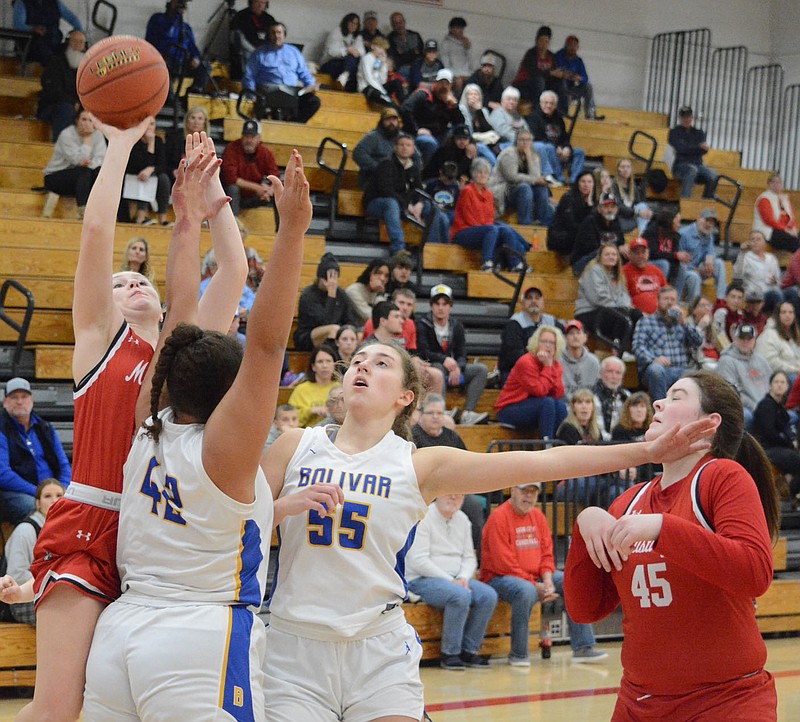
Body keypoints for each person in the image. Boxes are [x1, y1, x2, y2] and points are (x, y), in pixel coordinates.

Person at [259, 335, 713, 720]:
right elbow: (229, 521)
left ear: (404, 397)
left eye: (380, 364)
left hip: (377, 650)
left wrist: (642, 452)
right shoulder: (297, 445)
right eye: (357, 361)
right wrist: (279, 509)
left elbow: (544, 460)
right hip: (294, 648)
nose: (362, 366)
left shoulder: (418, 464)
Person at [80, 149, 342, 721]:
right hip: (197, 639)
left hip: (118, 634)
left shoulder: (148, 425)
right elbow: (270, 343)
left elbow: (180, 321)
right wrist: (293, 230)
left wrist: (184, 222)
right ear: (232, 398)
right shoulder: (224, 454)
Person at [4, 125, 249, 722]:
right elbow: (96, 231)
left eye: (141, 278)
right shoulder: (97, 342)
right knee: (58, 707)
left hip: (157, 544)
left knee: (115, 708)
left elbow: (236, 275)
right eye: (119, 281)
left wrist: (214, 195)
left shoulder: (181, 354)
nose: (133, 280)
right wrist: (120, 144)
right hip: (91, 525)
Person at [565, 370, 779, 721]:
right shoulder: (630, 503)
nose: (659, 402)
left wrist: (664, 529)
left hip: (726, 701)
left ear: (709, 423)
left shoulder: (722, 476)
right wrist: (584, 527)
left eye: (677, 397)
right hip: (640, 703)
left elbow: (755, 572)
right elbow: (586, 609)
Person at [480, 482, 608, 665]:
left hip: (534, 576)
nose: (529, 497)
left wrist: (547, 580)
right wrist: (535, 585)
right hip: (499, 578)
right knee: (525, 591)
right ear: (513, 491)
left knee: (567, 581)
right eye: (525, 491)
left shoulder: (538, 516)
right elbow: (504, 563)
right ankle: (518, 654)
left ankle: (583, 647)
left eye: (533, 492)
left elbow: (547, 553)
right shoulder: (498, 518)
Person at [406, 492, 497, 670]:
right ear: (438, 495)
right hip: (422, 579)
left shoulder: (463, 519)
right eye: (449, 493)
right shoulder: (424, 517)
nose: (454, 498)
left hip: (457, 578)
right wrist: (451, 580)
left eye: (459, 494)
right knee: (460, 595)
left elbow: (470, 557)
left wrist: (463, 577)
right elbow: (418, 561)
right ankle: (450, 653)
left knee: (488, 595)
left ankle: (469, 651)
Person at [415, 284, 489, 425]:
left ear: (451, 306)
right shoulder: (422, 324)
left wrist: (458, 367)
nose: (441, 308)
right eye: (437, 303)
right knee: (438, 368)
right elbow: (423, 352)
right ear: (431, 305)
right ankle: (440, 409)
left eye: (445, 304)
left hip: (452, 369)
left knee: (481, 369)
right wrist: (444, 360)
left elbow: (462, 353)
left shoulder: (456, 326)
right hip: (434, 366)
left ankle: (468, 413)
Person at [1, 378, 71, 524]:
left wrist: (60, 490)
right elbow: (3, 474)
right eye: (14, 397)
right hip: (19, 493)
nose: (20, 402)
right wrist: (40, 493)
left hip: (51, 490)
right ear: (5, 402)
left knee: (77, 506)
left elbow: (64, 465)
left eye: (24, 397)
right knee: (32, 508)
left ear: (31, 400)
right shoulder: (2, 429)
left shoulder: (45, 427)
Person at [363, 133, 448, 254]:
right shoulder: (386, 164)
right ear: (395, 148)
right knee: (392, 203)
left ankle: (431, 249)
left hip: (401, 204)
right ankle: (398, 248)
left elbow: (418, 190)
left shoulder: (413, 168)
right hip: (376, 203)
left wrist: (420, 203)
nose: (404, 148)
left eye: (408, 145)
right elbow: (386, 190)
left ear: (413, 150)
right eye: (401, 145)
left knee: (431, 207)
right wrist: (406, 205)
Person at [453, 157, 532, 272]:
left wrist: (488, 228)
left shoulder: (489, 194)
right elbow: (468, 217)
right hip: (464, 231)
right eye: (479, 172)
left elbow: (490, 217)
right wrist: (486, 228)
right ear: (473, 174)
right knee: (493, 229)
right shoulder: (468, 191)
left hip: (484, 231)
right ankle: (486, 262)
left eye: (485, 173)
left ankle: (515, 264)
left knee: (506, 230)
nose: (482, 175)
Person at [2, 479, 64, 625]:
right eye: (47, 496)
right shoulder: (25, 530)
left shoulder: (66, 531)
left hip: (49, 593)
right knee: (62, 614)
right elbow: (16, 575)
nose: (54, 500)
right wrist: (53, 581)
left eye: (59, 495)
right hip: (19, 601)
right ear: (37, 503)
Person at [632, 286, 704, 404]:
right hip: (658, 369)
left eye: (673, 299)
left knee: (695, 375)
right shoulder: (646, 321)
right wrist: (653, 359)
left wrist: (685, 324)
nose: (669, 302)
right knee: (656, 370)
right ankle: (660, 410)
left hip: (681, 369)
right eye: (666, 299)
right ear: (658, 301)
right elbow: (638, 347)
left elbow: (698, 342)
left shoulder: (682, 323)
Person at [495, 325, 568, 437]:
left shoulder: (555, 365)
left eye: (552, 342)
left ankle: (556, 442)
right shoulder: (526, 362)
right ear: (536, 343)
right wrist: (547, 367)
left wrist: (550, 367)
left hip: (535, 407)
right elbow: (539, 391)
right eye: (544, 341)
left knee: (560, 405)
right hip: (509, 408)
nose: (548, 345)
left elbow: (558, 393)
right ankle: (547, 443)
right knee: (547, 403)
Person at [242, 22, 321, 124]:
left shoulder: (294, 52)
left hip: (291, 93)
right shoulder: (259, 53)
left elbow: (304, 73)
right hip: (267, 94)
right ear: (269, 35)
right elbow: (249, 76)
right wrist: (252, 96)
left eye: (279, 33)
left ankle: (293, 125)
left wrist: (311, 85)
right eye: (273, 33)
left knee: (314, 101)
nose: (276, 36)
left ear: (284, 35)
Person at [574, 242, 640, 353]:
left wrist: (627, 307)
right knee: (622, 315)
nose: (611, 257)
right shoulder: (594, 271)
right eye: (607, 254)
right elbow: (598, 298)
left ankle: (635, 348)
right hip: (589, 312)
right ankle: (617, 347)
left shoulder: (618, 275)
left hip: (609, 311)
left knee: (637, 314)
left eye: (614, 254)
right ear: (600, 257)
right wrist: (622, 307)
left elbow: (624, 297)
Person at [42, 107, 106, 219]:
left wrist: (89, 163)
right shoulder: (67, 134)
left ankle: (101, 212)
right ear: (77, 120)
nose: (87, 124)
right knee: (84, 171)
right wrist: (87, 140)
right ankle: (83, 210)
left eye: (91, 120)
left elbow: (101, 159)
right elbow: (78, 161)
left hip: (81, 180)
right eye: (84, 119)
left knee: (99, 173)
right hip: (56, 176)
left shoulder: (98, 135)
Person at [488, 128, 554, 229]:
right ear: (516, 141)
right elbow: (512, 177)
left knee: (541, 189)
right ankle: (525, 223)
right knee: (525, 187)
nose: (525, 143)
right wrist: (535, 180)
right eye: (522, 140)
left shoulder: (533, 155)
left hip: (521, 191)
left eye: (528, 140)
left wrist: (529, 159)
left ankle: (542, 223)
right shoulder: (509, 153)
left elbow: (535, 177)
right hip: (502, 190)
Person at [399, 69, 465, 167]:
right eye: (441, 83)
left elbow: (460, 123)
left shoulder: (450, 100)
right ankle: (424, 175)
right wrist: (416, 130)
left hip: (440, 134)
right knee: (430, 143)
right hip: (420, 134)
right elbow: (405, 109)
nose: (444, 87)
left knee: (465, 135)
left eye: (447, 84)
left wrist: (453, 107)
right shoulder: (423, 94)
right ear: (435, 83)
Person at [753, 371, 800, 505]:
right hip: (768, 449)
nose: (779, 385)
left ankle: (790, 495)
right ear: (770, 386)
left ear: (787, 387)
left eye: (783, 382)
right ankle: (787, 496)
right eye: (776, 382)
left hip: (778, 448)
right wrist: (789, 443)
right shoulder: (766, 405)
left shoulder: (779, 407)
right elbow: (770, 434)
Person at [220, 119, 280, 221]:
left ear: (259, 138)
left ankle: (281, 231)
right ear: (242, 137)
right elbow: (230, 178)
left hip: (254, 196)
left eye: (252, 137)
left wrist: (269, 191)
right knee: (233, 189)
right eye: (246, 136)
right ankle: (232, 224)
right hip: (232, 195)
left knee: (278, 193)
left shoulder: (265, 153)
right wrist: (258, 188)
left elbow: (275, 177)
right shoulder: (231, 149)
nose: (249, 140)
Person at [145, 0, 209, 94]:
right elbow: (153, 42)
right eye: (178, 2)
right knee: (165, 71)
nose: (181, 4)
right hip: (163, 61)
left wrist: (195, 58)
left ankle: (192, 93)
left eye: (183, 3)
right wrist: (174, 16)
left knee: (205, 67)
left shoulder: (185, 28)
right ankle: (168, 97)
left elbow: (193, 48)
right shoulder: (158, 19)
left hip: (181, 63)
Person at [499, 285, 561, 382]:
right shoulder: (514, 324)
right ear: (522, 304)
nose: (533, 301)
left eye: (537, 298)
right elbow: (516, 357)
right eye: (529, 298)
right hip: (516, 373)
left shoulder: (551, 321)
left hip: (545, 369)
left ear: (543, 303)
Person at [716, 324, 772, 430]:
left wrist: (768, 406)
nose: (745, 342)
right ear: (735, 339)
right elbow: (732, 393)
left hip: (764, 406)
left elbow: (771, 385)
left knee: (790, 416)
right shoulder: (726, 361)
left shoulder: (761, 360)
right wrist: (755, 407)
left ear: (755, 340)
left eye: (749, 339)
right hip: (742, 407)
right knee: (746, 416)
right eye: (742, 338)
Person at [36, 28, 85, 142]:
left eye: (81, 42)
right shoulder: (55, 63)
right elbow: (51, 90)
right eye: (74, 42)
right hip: (53, 107)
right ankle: (61, 151)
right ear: (68, 43)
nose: (77, 45)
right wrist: (72, 102)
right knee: (66, 109)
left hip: (78, 108)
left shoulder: (87, 69)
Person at [528, 90, 586, 184]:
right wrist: (556, 148)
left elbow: (564, 138)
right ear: (541, 103)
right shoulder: (533, 117)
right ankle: (559, 178)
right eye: (546, 103)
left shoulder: (558, 119)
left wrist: (566, 148)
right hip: (544, 151)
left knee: (579, 152)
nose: (548, 106)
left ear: (555, 105)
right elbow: (536, 137)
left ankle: (574, 181)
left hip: (558, 150)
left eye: (551, 103)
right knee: (549, 147)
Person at [123, 117, 171, 226]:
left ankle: (163, 219)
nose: (149, 127)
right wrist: (150, 144)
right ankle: (140, 217)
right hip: (133, 176)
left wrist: (151, 169)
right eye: (146, 124)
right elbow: (137, 165)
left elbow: (162, 164)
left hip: (150, 176)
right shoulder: (134, 141)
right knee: (145, 176)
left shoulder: (158, 141)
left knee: (163, 178)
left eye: (152, 124)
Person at [353, 107, 414, 189]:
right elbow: (358, 153)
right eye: (388, 120)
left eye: (394, 120)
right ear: (382, 122)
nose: (391, 123)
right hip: (374, 179)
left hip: (399, 179)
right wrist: (379, 168)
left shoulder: (403, 138)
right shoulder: (373, 136)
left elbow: (416, 157)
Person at [667, 105, 720, 199]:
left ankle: (706, 200)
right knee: (691, 170)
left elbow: (702, 150)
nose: (686, 119)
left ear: (692, 118)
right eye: (684, 117)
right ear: (680, 118)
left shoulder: (699, 132)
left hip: (698, 165)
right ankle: (685, 199)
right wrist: (697, 148)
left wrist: (691, 148)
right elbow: (681, 148)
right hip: (680, 166)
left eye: (688, 117)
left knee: (714, 174)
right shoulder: (674, 132)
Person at [678, 207, 727, 305]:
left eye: (712, 222)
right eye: (707, 220)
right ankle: (695, 307)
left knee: (719, 264)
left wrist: (710, 256)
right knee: (695, 276)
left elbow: (711, 251)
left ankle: (720, 300)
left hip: (699, 269)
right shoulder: (683, 234)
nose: (709, 224)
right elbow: (679, 261)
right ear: (698, 218)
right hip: (684, 272)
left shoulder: (708, 234)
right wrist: (696, 270)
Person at [570, 192, 626, 276]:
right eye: (606, 207)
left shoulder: (616, 222)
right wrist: (617, 248)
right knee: (604, 252)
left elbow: (621, 243)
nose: (610, 210)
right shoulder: (590, 221)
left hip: (607, 261)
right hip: (582, 263)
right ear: (599, 209)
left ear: (617, 209)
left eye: (613, 207)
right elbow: (593, 250)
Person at [642, 209, 693, 301]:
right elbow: (652, 253)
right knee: (664, 263)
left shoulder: (675, 236)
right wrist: (675, 255)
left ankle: (675, 299)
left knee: (682, 266)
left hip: (666, 264)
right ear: (668, 223)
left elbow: (673, 256)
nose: (678, 225)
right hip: (648, 262)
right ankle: (660, 296)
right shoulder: (651, 232)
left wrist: (680, 257)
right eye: (676, 222)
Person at [12, 0, 83, 65]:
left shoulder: (55, 3)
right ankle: (53, 69)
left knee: (74, 46)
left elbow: (74, 20)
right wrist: (33, 29)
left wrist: (78, 33)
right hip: (31, 45)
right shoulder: (21, 3)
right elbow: (18, 25)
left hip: (54, 44)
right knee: (42, 46)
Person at [288, 345, 339, 428]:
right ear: (313, 367)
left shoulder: (340, 388)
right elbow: (290, 417)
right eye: (320, 361)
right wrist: (311, 411)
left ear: (335, 365)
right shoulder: (301, 389)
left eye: (328, 361)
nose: (324, 365)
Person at [734, 230, 784, 314]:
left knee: (792, 292)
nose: (755, 242)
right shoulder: (746, 257)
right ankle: (781, 320)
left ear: (765, 243)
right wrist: (742, 253)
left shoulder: (771, 258)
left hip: (771, 291)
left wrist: (775, 280)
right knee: (776, 294)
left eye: (758, 239)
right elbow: (737, 275)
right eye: (752, 240)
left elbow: (779, 280)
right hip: (755, 295)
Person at [547, 170, 594, 255]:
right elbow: (570, 224)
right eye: (583, 181)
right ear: (577, 183)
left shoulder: (592, 200)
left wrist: (589, 205)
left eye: (589, 182)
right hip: (561, 237)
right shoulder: (568, 198)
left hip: (576, 236)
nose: (586, 185)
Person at [553, 35, 601, 119]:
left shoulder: (578, 61)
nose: (573, 47)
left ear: (578, 47)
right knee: (562, 83)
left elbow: (585, 78)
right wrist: (565, 75)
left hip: (570, 90)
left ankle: (590, 115)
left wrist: (579, 78)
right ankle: (563, 113)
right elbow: (555, 72)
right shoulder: (558, 56)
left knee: (588, 87)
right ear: (566, 46)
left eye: (575, 45)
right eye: (570, 45)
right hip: (558, 90)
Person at [753, 173, 799, 253]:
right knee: (794, 241)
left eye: (778, 182)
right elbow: (769, 220)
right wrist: (785, 229)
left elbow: (792, 217)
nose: (776, 185)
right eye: (773, 182)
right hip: (768, 231)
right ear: (768, 185)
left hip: (785, 230)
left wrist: (793, 228)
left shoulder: (785, 199)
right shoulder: (764, 199)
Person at [513, 25, 559, 104]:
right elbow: (534, 73)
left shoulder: (551, 56)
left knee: (559, 84)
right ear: (536, 41)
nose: (543, 44)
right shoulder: (531, 53)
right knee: (539, 81)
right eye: (541, 40)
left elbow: (554, 74)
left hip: (542, 87)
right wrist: (550, 73)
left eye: (546, 41)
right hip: (523, 86)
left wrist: (560, 75)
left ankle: (561, 112)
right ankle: (537, 111)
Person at [229, 0, 276, 78]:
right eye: (257, 2)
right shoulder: (241, 16)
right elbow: (238, 38)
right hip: (247, 50)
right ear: (251, 2)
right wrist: (254, 51)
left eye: (263, 3)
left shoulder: (269, 19)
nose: (260, 5)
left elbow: (274, 38)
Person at [622, 236, 668, 315]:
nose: (640, 256)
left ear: (648, 253)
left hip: (661, 315)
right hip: (638, 316)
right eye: (636, 253)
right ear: (629, 254)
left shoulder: (656, 270)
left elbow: (667, 292)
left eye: (643, 252)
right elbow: (621, 300)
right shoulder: (623, 272)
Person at [319, 13, 365, 93]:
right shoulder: (336, 32)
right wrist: (347, 50)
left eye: (356, 24)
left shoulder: (357, 37)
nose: (353, 26)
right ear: (346, 22)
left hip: (346, 65)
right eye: (351, 23)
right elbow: (332, 52)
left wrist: (355, 52)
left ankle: (345, 75)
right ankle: (345, 75)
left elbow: (362, 52)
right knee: (351, 59)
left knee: (354, 61)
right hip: (330, 64)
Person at [357, 37, 405, 110]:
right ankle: (399, 110)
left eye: (383, 49)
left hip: (379, 87)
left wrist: (383, 65)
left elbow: (383, 80)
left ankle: (404, 105)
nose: (381, 51)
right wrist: (382, 91)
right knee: (386, 99)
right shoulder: (367, 58)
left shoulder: (378, 60)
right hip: (367, 87)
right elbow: (369, 79)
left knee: (397, 83)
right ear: (373, 46)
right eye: (379, 47)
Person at [164, 106, 210, 179]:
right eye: (193, 118)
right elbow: (165, 161)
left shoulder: (207, 142)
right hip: (176, 175)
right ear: (187, 120)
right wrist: (173, 171)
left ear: (205, 123)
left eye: (200, 119)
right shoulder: (174, 137)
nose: (196, 122)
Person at [458, 84, 501, 163]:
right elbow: (468, 130)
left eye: (476, 94)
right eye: (470, 94)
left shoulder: (483, 111)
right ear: (466, 97)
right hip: (470, 142)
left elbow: (488, 129)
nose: (473, 97)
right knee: (483, 148)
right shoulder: (462, 109)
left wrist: (479, 112)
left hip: (487, 141)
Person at [755, 301, 800, 377]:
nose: (787, 315)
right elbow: (771, 362)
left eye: (790, 312)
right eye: (784, 312)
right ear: (777, 315)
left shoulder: (794, 336)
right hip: (777, 377)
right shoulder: (769, 334)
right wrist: (795, 370)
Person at [592, 356, 631, 440]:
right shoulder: (593, 397)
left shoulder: (627, 396)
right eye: (610, 371)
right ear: (601, 373)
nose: (614, 376)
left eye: (618, 373)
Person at [560, 319, 601, 398]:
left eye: (578, 333)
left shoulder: (594, 361)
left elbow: (597, 389)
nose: (575, 336)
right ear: (565, 338)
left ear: (585, 337)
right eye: (571, 333)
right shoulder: (558, 360)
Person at [612, 157, 653, 234]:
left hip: (632, 217)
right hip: (619, 217)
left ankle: (641, 234)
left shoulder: (633, 187)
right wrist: (637, 212)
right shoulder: (613, 186)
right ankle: (641, 235)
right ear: (618, 169)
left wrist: (647, 212)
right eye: (623, 167)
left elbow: (639, 204)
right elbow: (618, 206)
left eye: (628, 167)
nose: (626, 169)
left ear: (631, 170)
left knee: (643, 206)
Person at [345, 258, 389, 328]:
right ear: (370, 273)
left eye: (386, 276)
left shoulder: (379, 293)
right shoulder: (354, 290)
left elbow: (384, 316)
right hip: (354, 331)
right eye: (378, 273)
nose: (382, 278)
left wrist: (380, 294)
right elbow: (371, 317)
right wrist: (380, 294)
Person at [439, 17, 473, 96]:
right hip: (454, 75)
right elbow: (446, 65)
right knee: (459, 82)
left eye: (462, 28)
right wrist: (457, 76)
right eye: (458, 28)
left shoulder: (465, 41)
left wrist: (467, 48)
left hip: (467, 73)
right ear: (451, 29)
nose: (461, 30)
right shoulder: (445, 44)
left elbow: (471, 63)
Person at [386, 11, 423, 79]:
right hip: (402, 71)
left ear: (404, 22)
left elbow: (422, 54)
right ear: (392, 25)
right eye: (396, 23)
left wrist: (403, 55)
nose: (399, 25)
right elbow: (395, 60)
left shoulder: (415, 35)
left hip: (418, 68)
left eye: (401, 22)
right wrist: (413, 52)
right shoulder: (389, 39)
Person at [712, 281, 745, 347]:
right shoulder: (721, 312)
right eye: (733, 297)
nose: (736, 301)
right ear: (726, 298)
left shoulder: (740, 314)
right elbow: (719, 336)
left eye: (739, 298)